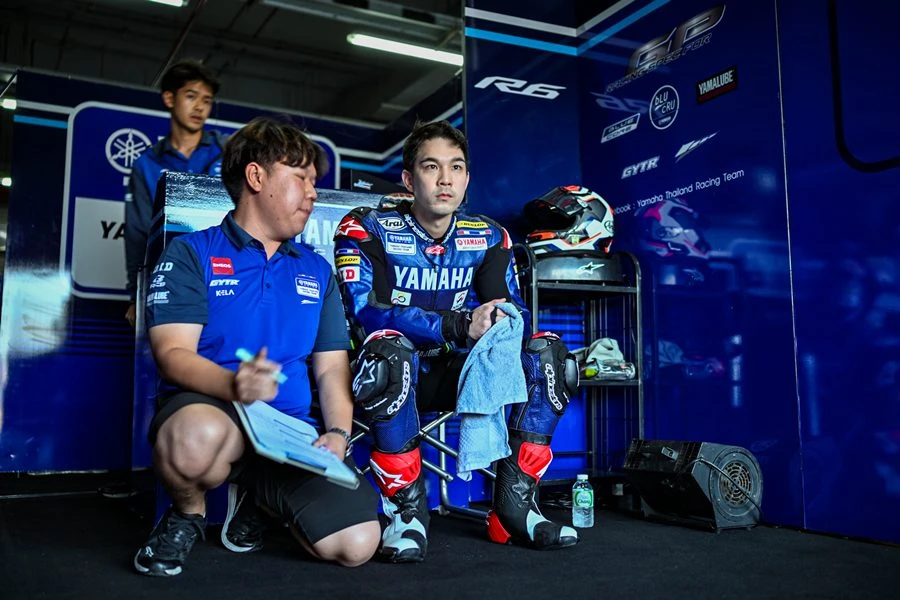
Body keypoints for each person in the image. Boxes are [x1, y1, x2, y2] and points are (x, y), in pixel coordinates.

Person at [132, 116, 380, 577]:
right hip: (215, 413)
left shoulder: (317, 270)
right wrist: (235, 385)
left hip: (290, 434)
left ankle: (259, 499)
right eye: (301, 178)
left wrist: (338, 434)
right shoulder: (192, 252)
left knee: (358, 544)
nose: (313, 193)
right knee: (194, 441)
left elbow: (331, 368)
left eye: (314, 181)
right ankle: (187, 513)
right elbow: (172, 355)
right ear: (256, 176)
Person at [332, 120, 580, 563]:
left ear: (466, 178)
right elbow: (367, 313)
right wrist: (459, 324)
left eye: (456, 167)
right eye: (431, 167)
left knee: (549, 357)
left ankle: (514, 509)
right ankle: (406, 514)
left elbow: (515, 313)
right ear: (409, 180)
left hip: (461, 375)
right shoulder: (365, 227)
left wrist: (501, 320)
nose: (445, 179)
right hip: (385, 375)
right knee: (390, 353)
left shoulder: (488, 235)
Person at [124, 58, 227, 327]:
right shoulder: (147, 164)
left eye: (207, 100)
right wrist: (136, 294)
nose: (200, 107)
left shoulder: (227, 152)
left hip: (225, 276)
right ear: (169, 98)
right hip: (168, 279)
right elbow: (137, 233)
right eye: (191, 96)